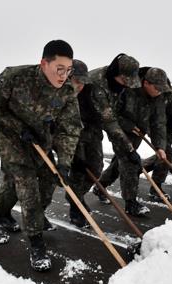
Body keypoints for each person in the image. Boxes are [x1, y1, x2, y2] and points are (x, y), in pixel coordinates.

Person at [0, 40, 82, 271]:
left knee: (45, 186)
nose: (64, 76)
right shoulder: (15, 77)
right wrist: (17, 127)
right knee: (27, 190)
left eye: (68, 69)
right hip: (12, 140)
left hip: (39, 142)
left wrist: (64, 163)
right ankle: (36, 244)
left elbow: (69, 129)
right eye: (59, 69)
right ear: (44, 63)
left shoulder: (67, 92)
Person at [95, 67, 170, 212]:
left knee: (121, 161)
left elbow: (158, 122)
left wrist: (160, 146)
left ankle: (100, 186)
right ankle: (131, 203)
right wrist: (128, 125)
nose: (159, 91)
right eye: (157, 88)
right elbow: (111, 113)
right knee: (130, 162)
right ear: (146, 83)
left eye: (162, 89)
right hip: (119, 129)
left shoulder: (159, 97)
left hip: (138, 131)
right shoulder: (128, 89)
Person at [88, 54, 149, 216]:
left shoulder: (121, 86)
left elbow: (117, 113)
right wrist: (129, 148)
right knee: (89, 166)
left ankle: (130, 202)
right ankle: (76, 204)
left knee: (127, 160)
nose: (127, 86)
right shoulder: (97, 84)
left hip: (108, 120)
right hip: (84, 122)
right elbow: (109, 122)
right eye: (125, 81)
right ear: (116, 74)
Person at [63, 59, 102, 228]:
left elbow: (100, 115)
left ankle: (76, 196)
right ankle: (75, 205)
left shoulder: (89, 91)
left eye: (83, 82)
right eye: (77, 81)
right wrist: (76, 154)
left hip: (90, 133)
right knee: (78, 171)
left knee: (96, 168)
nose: (80, 86)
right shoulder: (60, 94)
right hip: (69, 137)